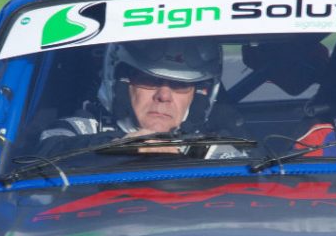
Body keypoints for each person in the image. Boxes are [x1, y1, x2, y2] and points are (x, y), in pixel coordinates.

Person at [33, 37, 243, 158]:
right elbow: (45, 154)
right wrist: (118, 146)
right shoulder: (78, 130)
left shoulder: (215, 149)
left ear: (197, 97)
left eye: (180, 85)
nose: (163, 96)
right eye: (149, 81)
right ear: (121, 84)